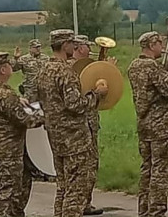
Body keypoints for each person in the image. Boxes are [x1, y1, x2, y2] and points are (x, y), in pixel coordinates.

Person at [36, 29, 108, 217]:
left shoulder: (44, 69)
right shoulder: (65, 71)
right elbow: (75, 104)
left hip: (56, 136)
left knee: (63, 186)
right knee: (75, 190)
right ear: (64, 45)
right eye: (71, 43)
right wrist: (97, 95)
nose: (74, 46)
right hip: (74, 138)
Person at [0, 51, 44, 217]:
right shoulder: (6, 95)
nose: (11, 68)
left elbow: (6, 108)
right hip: (9, 150)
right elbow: (26, 120)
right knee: (10, 191)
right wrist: (45, 115)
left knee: (21, 183)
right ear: (2, 70)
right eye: (8, 65)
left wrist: (18, 100)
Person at [127, 31, 168, 217]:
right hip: (159, 125)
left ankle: (144, 208)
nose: (162, 46)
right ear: (151, 45)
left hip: (143, 123)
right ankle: (156, 210)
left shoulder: (134, 66)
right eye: (159, 43)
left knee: (147, 167)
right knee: (160, 170)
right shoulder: (153, 67)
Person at [72, 34, 105, 216]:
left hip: (90, 121)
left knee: (89, 165)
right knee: (86, 166)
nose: (89, 49)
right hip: (82, 123)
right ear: (79, 47)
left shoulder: (86, 66)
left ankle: (85, 201)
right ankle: (81, 203)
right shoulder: (72, 69)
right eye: (86, 46)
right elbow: (82, 97)